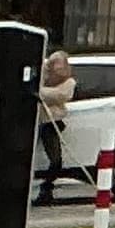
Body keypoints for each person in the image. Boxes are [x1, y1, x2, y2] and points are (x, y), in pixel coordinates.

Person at [35, 50, 75, 197]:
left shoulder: (69, 82)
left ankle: (47, 187)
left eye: (58, 63)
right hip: (36, 121)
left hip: (51, 122)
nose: (56, 67)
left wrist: (40, 92)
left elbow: (60, 95)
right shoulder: (43, 76)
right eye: (52, 63)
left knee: (56, 159)